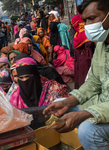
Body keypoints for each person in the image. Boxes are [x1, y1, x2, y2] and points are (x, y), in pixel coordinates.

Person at [43, 0, 109, 149]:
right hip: (102, 104)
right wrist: (68, 102)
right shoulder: (102, 45)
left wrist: (85, 114)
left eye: (92, 18)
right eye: (85, 20)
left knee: (87, 131)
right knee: (59, 105)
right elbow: (93, 82)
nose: (87, 25)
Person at [71, 14, 95, 89]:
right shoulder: (87, 32)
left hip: (80, 59)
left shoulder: (77, 34)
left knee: (81, 76)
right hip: (88, 58)